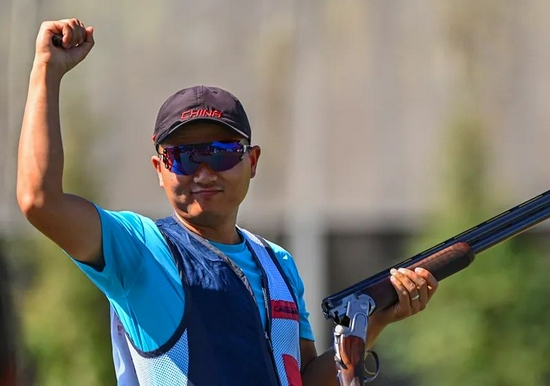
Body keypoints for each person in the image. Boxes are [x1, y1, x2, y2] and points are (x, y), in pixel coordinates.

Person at [17, 18, 439, 386]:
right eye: (183, 156)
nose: (203, 172)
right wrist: (46, 71)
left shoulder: (278, 263)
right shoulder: (141, 250)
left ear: (251, 161)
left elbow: (303, 379)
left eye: (220, 152)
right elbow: (40, 200)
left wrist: (376, 318)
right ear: (158, 169)